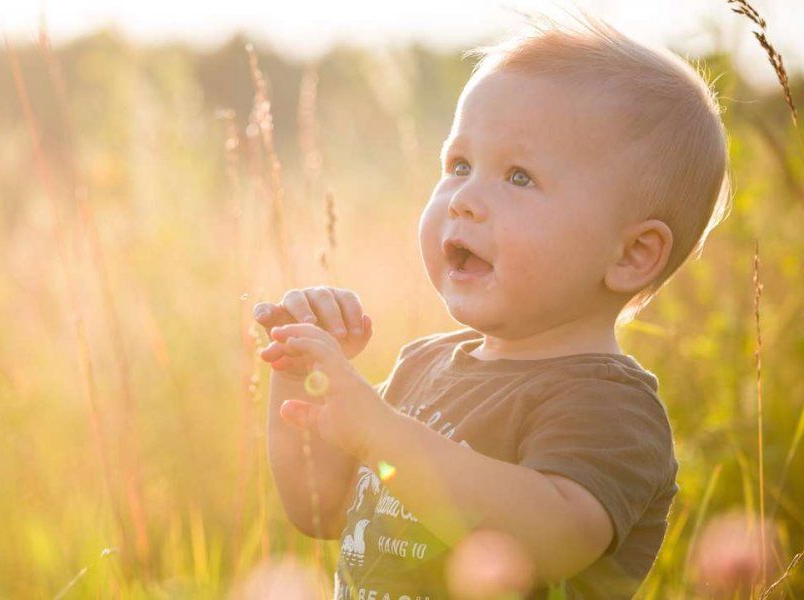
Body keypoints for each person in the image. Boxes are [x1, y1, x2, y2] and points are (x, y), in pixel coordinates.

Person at [253, 8, 731, 599]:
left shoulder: (608, 406)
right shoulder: (424, 367)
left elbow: (555, 536)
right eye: (458, 165)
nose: (464, 200)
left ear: (632, 254)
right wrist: (306, 383)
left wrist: (378, 431)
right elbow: (321, 510)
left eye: (519, 177)